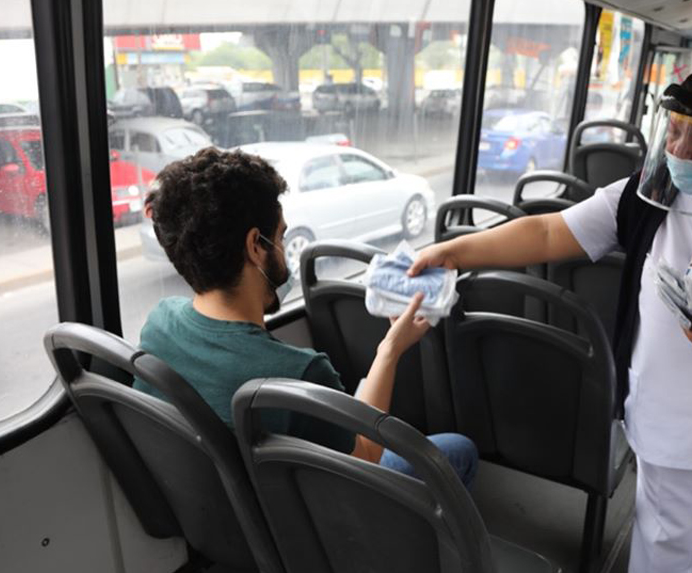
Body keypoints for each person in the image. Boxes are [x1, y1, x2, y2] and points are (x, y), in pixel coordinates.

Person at [410, 59, 692, 572]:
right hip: (663, 414)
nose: (680, 150)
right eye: (674, 131)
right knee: (660, 545)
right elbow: (548, 232)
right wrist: (455, 251)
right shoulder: (649, 191)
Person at [136, 147, 478, 488]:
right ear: (255, 246)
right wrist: (391, 348)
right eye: (281, 236)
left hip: (239, 503)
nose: (284, 248)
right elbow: (365, 456)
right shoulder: (298, 374)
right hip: (326, 505)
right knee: (458, 450)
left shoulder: (158, 325)